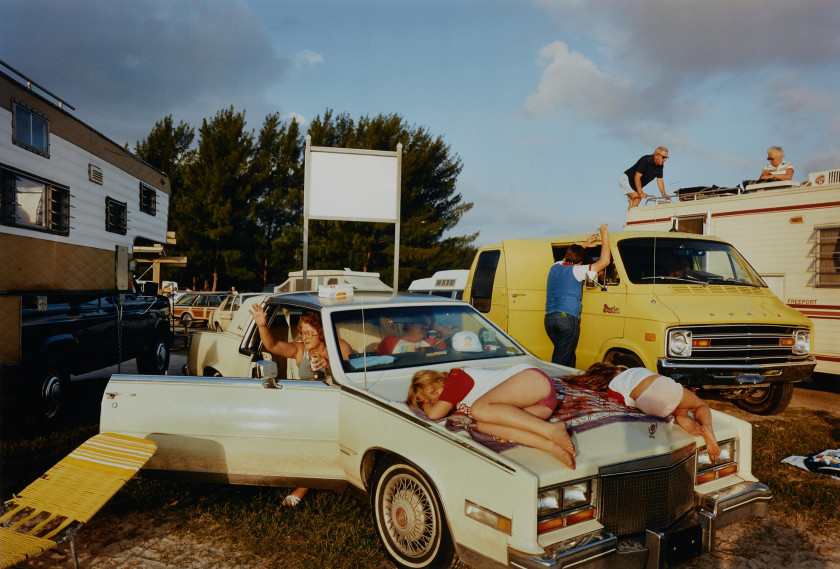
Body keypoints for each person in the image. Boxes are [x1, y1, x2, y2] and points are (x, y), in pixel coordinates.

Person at [248, 304, 352, 507]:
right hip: (309, 408)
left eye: (309, 333)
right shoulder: (300, 350)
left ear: (321, 332)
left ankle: (303, 487)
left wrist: (330, 364)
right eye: (302, 332)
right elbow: (273, 346)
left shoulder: (339, 346)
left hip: (336, 405)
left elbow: (351, 374)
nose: (304, 337)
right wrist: (262, 325)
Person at [406, 364, 577, 468]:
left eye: (434, 392)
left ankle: (551, 429)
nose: (435, 399)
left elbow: (436, 414)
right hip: (541, 406)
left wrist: (426, 405)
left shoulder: (456, 378)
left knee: (479, 410)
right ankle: (552, 446)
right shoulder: (456, 400)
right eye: (429, 400)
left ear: (438, 379)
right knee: (483, 425)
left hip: (531, 380)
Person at [562, 363, 720, 460]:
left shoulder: (611, 389)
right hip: (662, 384)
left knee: (674, 408)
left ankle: (681, 416)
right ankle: (706, 427)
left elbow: (627, 401)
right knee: (700, 406)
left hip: (648, 402)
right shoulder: (633, 370)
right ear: (614, 370)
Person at [544, 223, 610, 368]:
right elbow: (605, 261)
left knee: (567, 356)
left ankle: (569, 385)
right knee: (560, 363)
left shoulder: (554, 266)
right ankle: (555, 387)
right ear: (580, 262)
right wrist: (604, 234)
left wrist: (584, 245)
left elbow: (567, 258)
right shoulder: (578, 270)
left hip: (549, 320)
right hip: (566, 319)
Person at [375, 314, 447, 355]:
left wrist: (441, 329)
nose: (427, 326)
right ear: (409, 324)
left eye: (429, 325)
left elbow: (453, 341)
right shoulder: (390, 341)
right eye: (423, 323)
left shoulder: (434, 342)